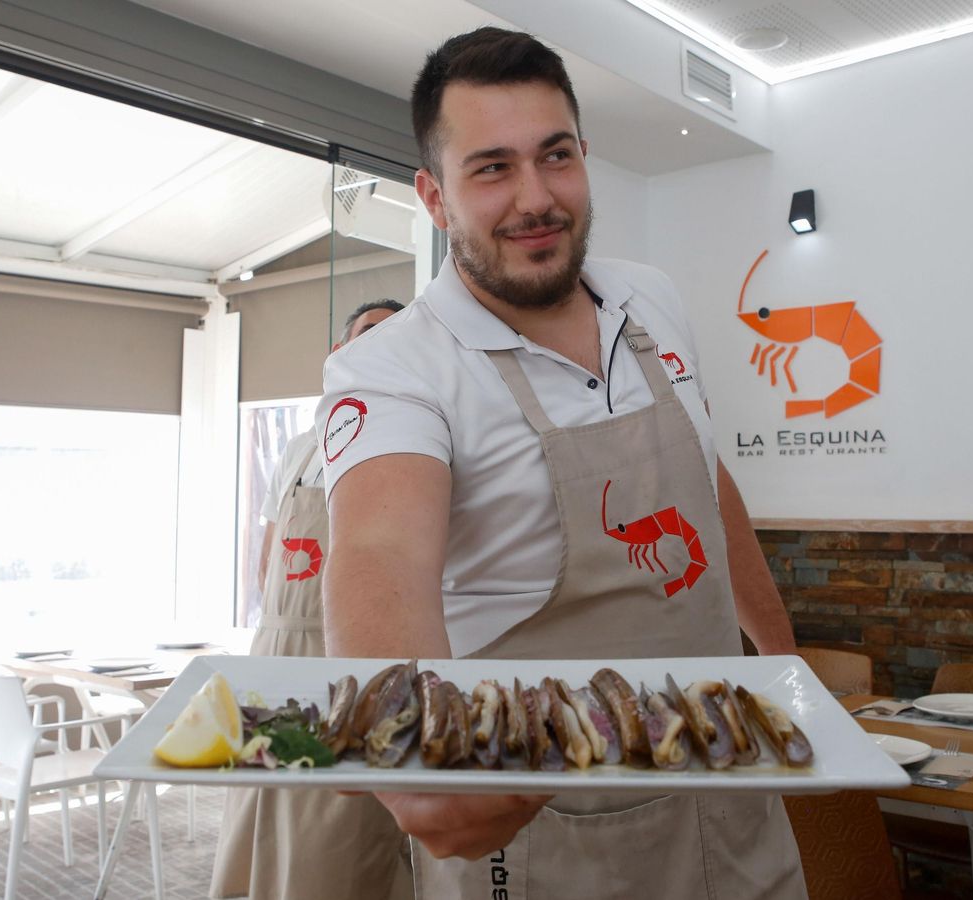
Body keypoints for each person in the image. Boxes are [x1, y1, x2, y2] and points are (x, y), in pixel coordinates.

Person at [318, 27, 807, 900]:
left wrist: (784, 659)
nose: (536, 198)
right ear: (434, 197)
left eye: (556, 156)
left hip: (730, 792)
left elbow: (705, 483)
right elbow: (377, 551)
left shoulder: (649, 298)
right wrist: (414, 749)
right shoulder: (394, 367)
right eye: (493, 168)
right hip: (540, 833)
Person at [210, 298, 410, 900]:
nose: (380, 346)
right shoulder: (300, 445)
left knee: (336, 826)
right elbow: (269, 560)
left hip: (346, 650)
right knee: (259, 807)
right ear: (338, 354)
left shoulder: (407, 447)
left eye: (395, 338)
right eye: (368, 334)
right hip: (275, 651)